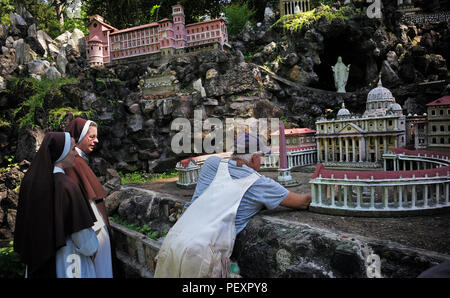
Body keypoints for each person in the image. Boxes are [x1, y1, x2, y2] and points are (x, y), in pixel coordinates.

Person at [154, 132, 311, 277]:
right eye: (261, 157)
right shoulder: (260, 184)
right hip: (202, 254)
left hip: (174, 239)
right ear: (255, 158)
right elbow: (301, 202)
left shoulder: (211, 164)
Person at [14, 132, 98, 278]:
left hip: (37, 262)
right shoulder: (67, 186)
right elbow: (81, 235)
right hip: (67, 263)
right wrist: (92, 248)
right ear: (62, 152)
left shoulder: (29, 183)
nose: (75, 153)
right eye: (72, 149)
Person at [64, 117, 114, 278]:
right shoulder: (75, 163)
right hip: (92, 230)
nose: (96, 140)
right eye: (91, 137)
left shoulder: (78, 161)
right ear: (78, 138)